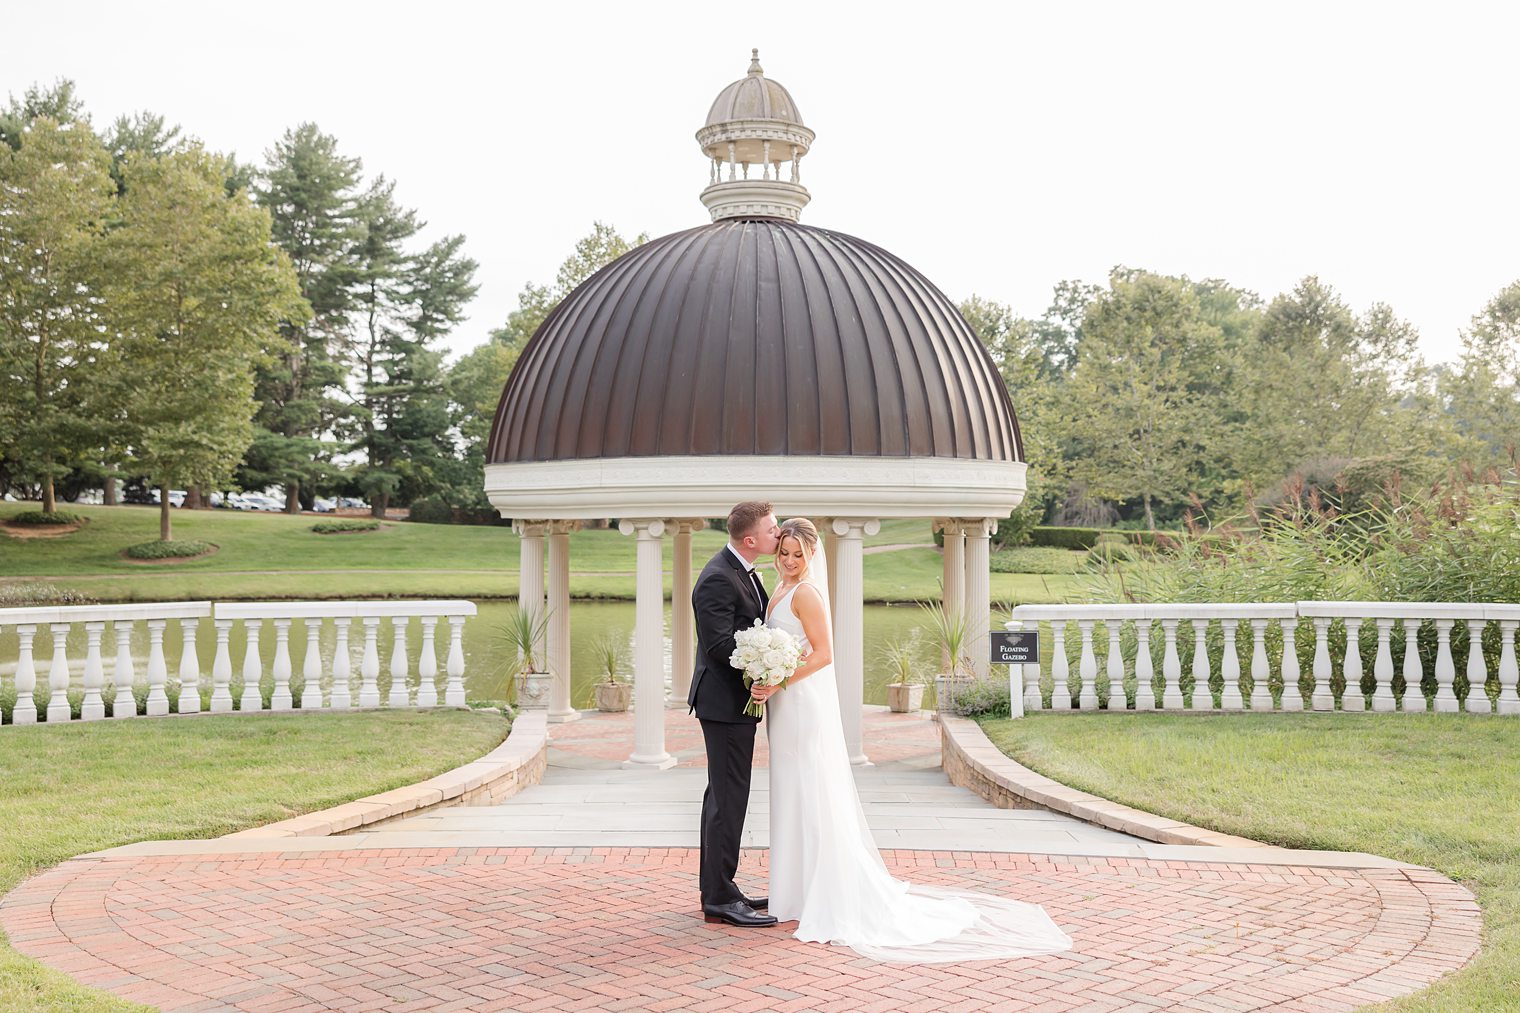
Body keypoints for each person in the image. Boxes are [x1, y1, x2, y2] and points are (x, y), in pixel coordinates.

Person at [750, 517, 1073, 962]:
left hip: (800, 703)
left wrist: (779, 680)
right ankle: (793, 892)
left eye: (797, 555)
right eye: (783, 553)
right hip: (783, 705)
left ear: (811, 556)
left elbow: (825, 654)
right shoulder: (780, 590)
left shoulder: (806, 592)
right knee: (789, 789)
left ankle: (825, 891)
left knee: (810, 788)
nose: (788, 561)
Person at [689, 500, 781, 927]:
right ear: (751, 539)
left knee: (725, 798)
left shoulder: (741, 571)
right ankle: (721, 900)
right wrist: (762, 669)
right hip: (724, 706)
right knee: (727, 801)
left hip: (734, 704)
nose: (777, 534)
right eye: (772, 529)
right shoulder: (717, 579)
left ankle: (720, 888)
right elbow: (719, 645)